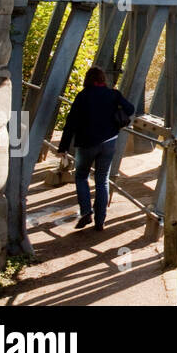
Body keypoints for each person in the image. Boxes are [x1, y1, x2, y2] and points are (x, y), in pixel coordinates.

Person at [57, 66, 134, 231]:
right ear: (102, 80)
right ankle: (100, 220)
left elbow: (70, 124)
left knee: (81, 176)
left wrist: (63, 147)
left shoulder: (82, 97)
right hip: (109, 142)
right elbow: (130, 109)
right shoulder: (113, 94)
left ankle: (86, 211)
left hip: (86, 143)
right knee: (102, 179)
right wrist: (116, 112)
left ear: (88, 80)